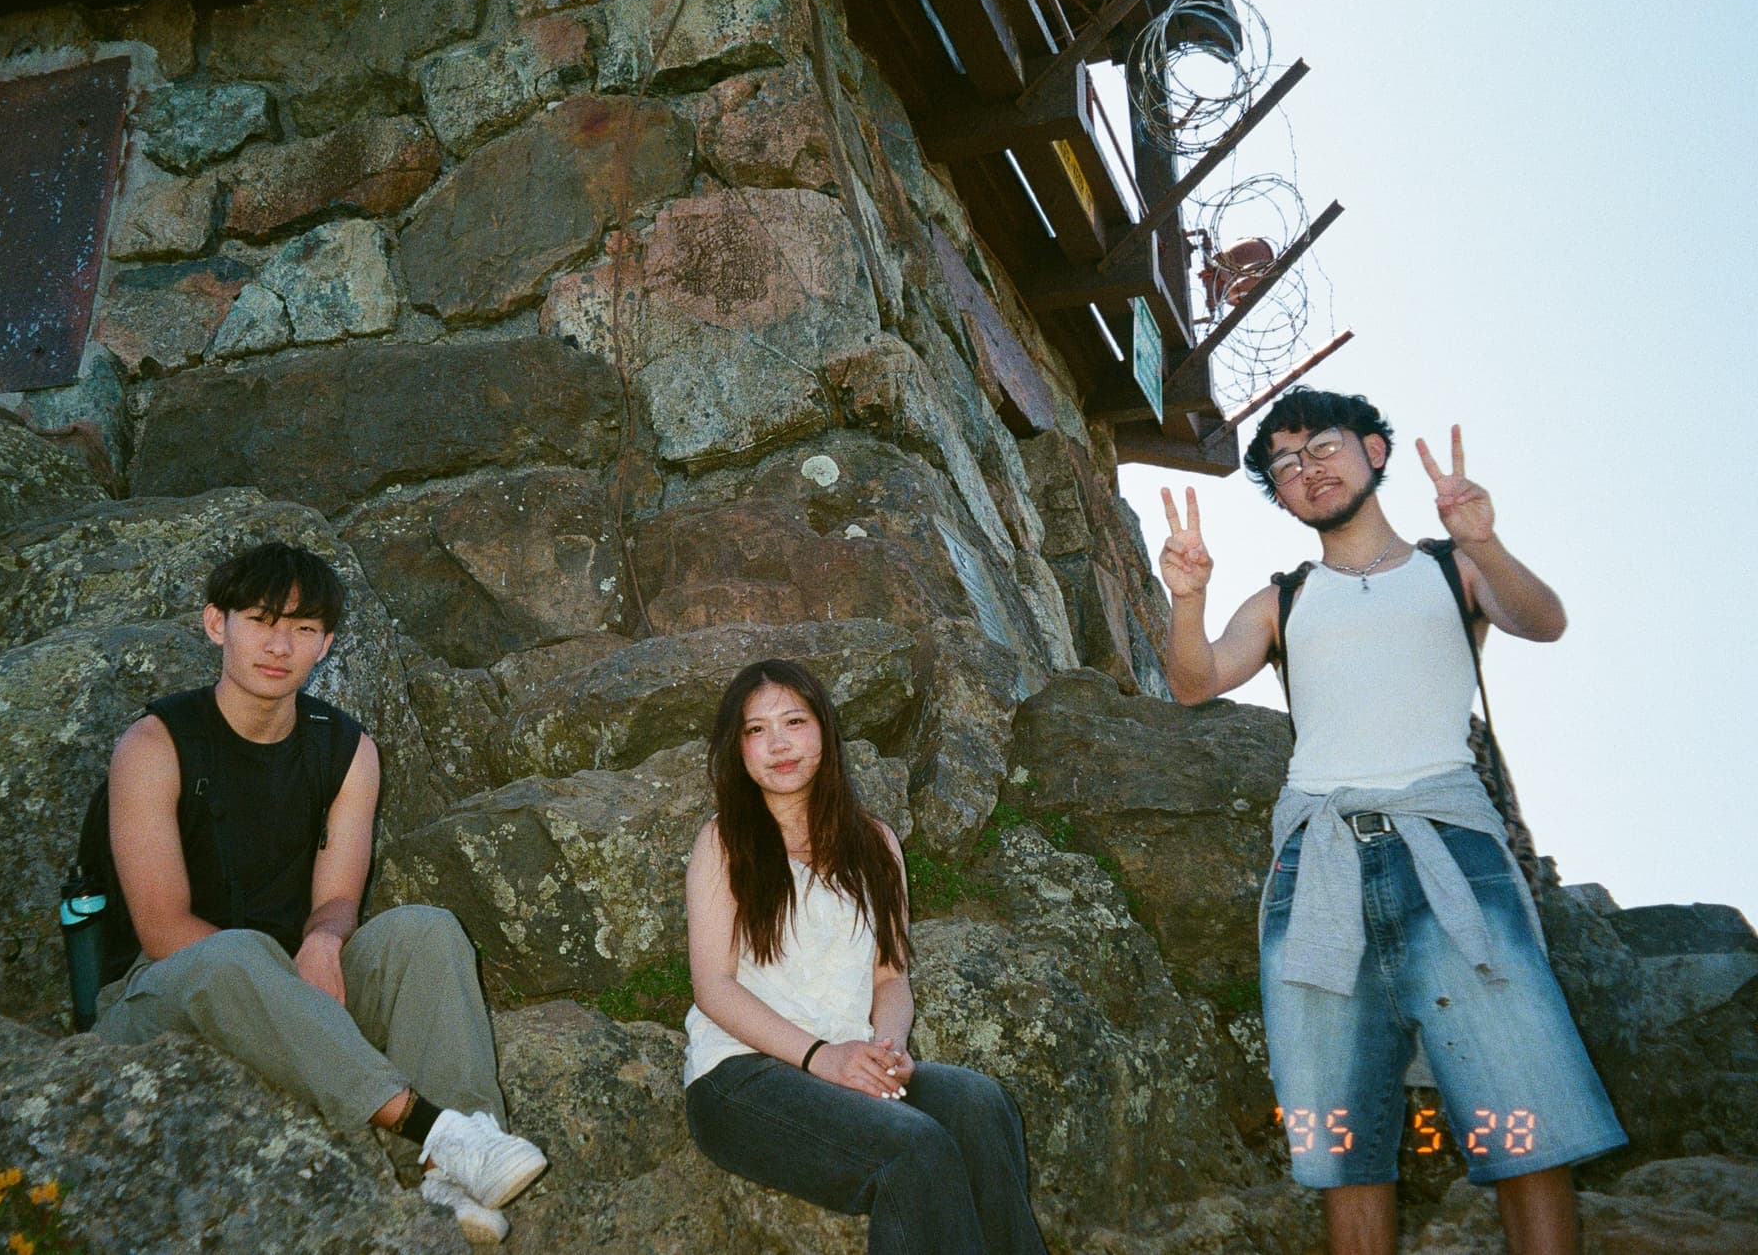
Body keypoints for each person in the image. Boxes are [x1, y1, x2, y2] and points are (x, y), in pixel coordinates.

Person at [1156, 389, 1625, 1255]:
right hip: (1318, 865)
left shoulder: (1453, 570)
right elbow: (1194, 683)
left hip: (1451, 849)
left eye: (1322, 446)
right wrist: (1187, 598)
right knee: (1342, 1140)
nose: (1306, 470)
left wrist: (1483, 540)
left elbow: (1545, 621)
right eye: (1284, 464)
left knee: (1523, 1118)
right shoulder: (1282, 600)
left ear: (1374, 451)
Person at [90, 541, 545, 1244]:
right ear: (216, 624)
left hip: (287, 992)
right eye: (260, 620)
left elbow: (336, 899)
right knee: (236, 956)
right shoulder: (156, 745)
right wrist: (287, 985)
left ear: (326, 644)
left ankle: (454, 1175)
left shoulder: (346, 750)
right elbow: (162, 927)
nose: (280, 646)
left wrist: (326, 940)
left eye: (303, 629)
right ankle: (437, 1133)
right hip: (162, 991)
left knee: (426, 929)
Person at [682, 658, 1048, 1255]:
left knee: (981, 1104)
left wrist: (889, 1049)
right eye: (756, 729)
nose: (778, 744)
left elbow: (891, 978)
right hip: (742, 1076)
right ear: (738, 748)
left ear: (823, 731)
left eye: (794, 722)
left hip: (848, 1064)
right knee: (914, 1147)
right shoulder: (723, 842)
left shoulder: (876, 843)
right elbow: (713, 988)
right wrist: (821, 1057)